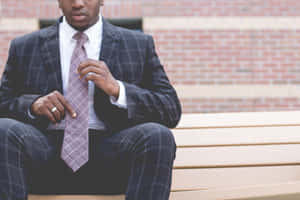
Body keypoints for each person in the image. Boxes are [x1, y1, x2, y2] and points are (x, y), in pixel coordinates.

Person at [0, 0, 181, 200]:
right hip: (43, 158)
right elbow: (3, 104)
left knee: (157, 135)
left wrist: (117, 90)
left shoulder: (137, 44)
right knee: (4, 129)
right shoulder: (25, 46)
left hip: (113, 161)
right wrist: (33, 105)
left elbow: (170, 109)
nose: (77, 3)